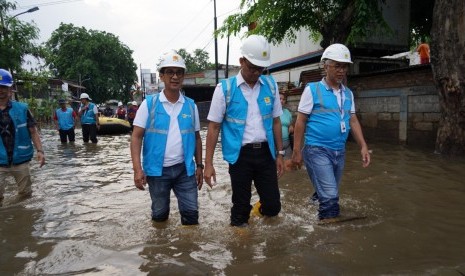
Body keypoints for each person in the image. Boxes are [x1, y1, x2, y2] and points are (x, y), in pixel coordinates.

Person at [204, 35, 284, 227]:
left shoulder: (270, 86)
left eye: (260, 68)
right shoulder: (225, 89)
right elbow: (214, 127)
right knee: (240, 209)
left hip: (266, 154)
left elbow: (276, 122)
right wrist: (208, 164)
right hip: (240, 156)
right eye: (252, 67)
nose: (256, 73)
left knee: (273, 207)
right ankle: (240, 251)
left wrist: (280, 154)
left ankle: (257, 211)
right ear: (241, 61)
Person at [292, 43, 371, 223]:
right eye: (337, 66)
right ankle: (329, 239)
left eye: (344, 66)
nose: (341, 71)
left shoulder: (348, 94)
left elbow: (352, 120)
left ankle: (313, 206)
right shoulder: (312, 90)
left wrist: (363, 146)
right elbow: (300, 121)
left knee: (330, 191)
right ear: (326, 66)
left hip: (339, 151)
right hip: (317, 150)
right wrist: (297, 151)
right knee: (330, 197)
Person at [130, 51, 204, 225]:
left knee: (191, 217)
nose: (175, 76)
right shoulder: (149, 104)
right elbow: (136, 137)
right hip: (157, 172)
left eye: (179, 72)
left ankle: (188, 250)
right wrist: (137, 169)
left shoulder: (191, 106)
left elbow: (197, 138)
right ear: (162, 76)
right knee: (160, 216)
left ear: (183, 76)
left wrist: (199, 165)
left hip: (185, 170)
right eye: (170, 72)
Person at [0, 69, 46, 206]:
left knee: (25, 195)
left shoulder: (22, 109)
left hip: (20, 160)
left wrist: (40, 151)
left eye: (4, 87)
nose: (0, 91)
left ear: (10, 90)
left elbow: (33, 131)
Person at [279, 92, 294, 159]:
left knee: (287, 165)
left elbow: (291, 123)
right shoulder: (272, 112)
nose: (281, 101)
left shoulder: (287, 112)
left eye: (283, 99)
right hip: (276, 143)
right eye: (279, 99)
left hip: (287, 142)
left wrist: (291, 126)